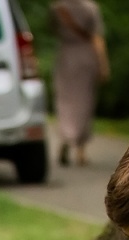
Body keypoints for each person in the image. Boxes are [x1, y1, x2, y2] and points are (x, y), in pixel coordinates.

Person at [51, 0, 109, 167]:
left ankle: (65, 139)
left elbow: (53, 29)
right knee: (85, 100)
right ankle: (80, 150)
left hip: (66, 56)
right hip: (86, 56)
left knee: (65, 100)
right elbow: (97, 38)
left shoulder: (57, 8)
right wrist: (103, 64)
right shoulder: (91, 8)